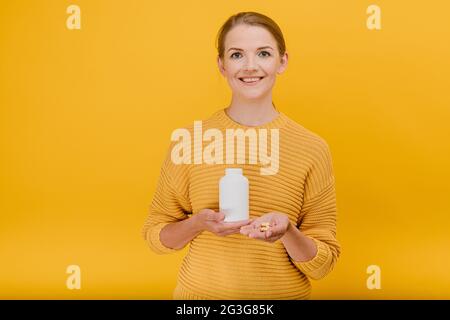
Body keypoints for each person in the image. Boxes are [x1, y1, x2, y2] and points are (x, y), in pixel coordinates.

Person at [142, 11, 341, 300]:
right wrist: (198, 223)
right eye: (236, 55)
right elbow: (155, 236)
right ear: (221, 65)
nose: (250, 66)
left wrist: (288, 231)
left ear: (282, 61)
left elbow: (323, 263)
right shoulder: (190, 141)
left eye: (263, 53)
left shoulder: (312, 148)